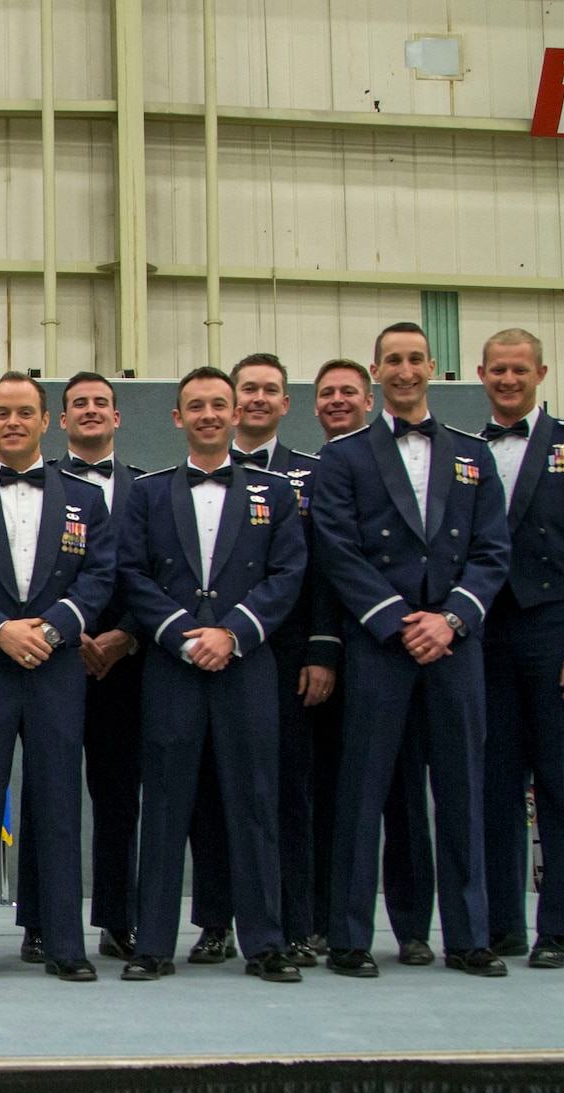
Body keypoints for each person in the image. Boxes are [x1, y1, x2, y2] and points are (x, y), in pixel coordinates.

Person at [310, 321, 512, 979]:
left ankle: (468, 936)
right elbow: (339, 551)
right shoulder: (343, 457)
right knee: (361, 793)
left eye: (414, 358)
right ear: (377, 372)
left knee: (462, 791)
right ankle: (349, 937)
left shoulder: (472, 455)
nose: (404, 369)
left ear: (434, 368)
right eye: (391, 360)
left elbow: (492, 551)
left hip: (454, 646)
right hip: (382, 643)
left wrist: (451, 619)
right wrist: (401, 621)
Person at [114, 366, 305, 981]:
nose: (208, 415)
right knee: (166, 806)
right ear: (177, 417)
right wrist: (179, 635)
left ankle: (266, 943)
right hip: (172, 668)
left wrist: (233, 633)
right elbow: (132, 574)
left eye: (218, 404)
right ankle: (154, 946)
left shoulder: (275, 494)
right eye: (195, 406)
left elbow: (287, 576)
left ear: (235, 413)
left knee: (254, 802)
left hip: (246, 666)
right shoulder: (145, 494)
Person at [0, 372, 112, 982]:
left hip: (57, 671)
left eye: (24, 412)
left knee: (59, 806)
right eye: (1, 412)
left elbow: (100, 577)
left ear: (46, 421)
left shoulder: (86, 499)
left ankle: (65, 946)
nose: (11, 422)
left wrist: (52, 629)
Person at [183, 353, 341, 967]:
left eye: (268, 390)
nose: (255, 399)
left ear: (285, 403)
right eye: (245, 388)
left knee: (285, 796)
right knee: (208, 795)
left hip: (282, 659)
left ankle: (293, 922)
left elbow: (323, 570)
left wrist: (322, 649)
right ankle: (216, 921)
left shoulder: (309, 475)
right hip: (201, 655)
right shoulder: (186, 477)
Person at [475, 328, 564, 968]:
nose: (508, 380)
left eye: (519, 370)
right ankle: (504, 925)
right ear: (480, 374)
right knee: (494, 786)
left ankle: (557, 926)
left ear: (541, 372)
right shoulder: (467, 451)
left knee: (559, 783)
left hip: (556, 632)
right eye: (498, 371)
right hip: (485, 636)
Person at [304, 359, 435, 957]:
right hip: (324, 656)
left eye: (348, 392)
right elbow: (326, 567)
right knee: (329, 796)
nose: (337, 401)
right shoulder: (313, 469)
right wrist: (324, 649)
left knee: (404, 796)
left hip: (396, 647)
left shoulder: (413, 464)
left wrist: (407, 624)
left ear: (370, 396)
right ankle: (327, 922)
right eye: (327, 393)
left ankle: (410, 927)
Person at [17, 370, 141, 963]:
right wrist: (64, 633)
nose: (91, 410)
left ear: (117, 417)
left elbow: (159, 572)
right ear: (59, 421)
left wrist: (125, 637)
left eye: (102, 403)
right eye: (78, 404)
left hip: (124, 664)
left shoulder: (146, 489)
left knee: (118, 797)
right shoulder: (31, 484)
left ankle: (119, 919)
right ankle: (40, 921)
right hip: (48, 657)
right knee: (47, 791)